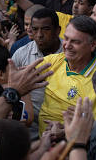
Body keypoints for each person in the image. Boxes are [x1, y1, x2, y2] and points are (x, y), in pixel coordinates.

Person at [38, 15, 96, 135]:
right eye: (66, 39)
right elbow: (22, 78)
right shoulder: (54, 61)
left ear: (92, 45)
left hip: (76, 147)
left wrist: (66, 132)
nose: (67, 45)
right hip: (44, 144)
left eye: (75, 42)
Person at [12, 8, 63, 140]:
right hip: (30, 131)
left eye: (45, 29)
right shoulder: (21, 54)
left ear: (57, 30)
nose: (39, 35)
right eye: (35, 29)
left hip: (62, 128)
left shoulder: (70, 53)